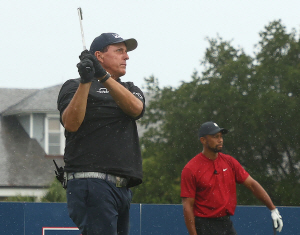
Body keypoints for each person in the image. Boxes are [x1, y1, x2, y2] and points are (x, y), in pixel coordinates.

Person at [57, 33, 145, 235]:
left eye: (126, 52)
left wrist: (103, 76)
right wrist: (86, 81)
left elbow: (136, 109)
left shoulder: (130, 88)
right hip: (91, 181)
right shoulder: (73, 86)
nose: (126, 57)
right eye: (119, 51)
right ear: (99, 55)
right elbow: (71, 123)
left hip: (122, 188)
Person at [180, 121, 283, 235]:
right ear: (203, 140)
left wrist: (272, 208)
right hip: (204, 226)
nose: (220, 140)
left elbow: (252, 185)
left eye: (221, 136)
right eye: (215, 137)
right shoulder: (190, 169)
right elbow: (188, 206)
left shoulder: (229, 162)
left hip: (225, 223)